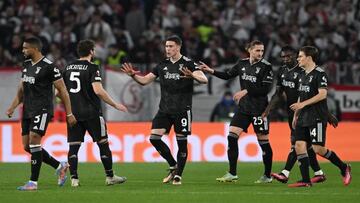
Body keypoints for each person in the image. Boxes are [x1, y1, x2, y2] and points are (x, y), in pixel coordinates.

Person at [121, 35, 208, 185]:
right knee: (154, 138)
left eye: (171, 46)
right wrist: (133, 76)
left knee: (181, 143)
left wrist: (192, 75)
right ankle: (173, 165)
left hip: (182, 109)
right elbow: (145, 81)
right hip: (165, 110)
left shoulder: (188, 63)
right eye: (166, 46)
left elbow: (204, 79)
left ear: (178, 47)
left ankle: (178, 176)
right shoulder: (161, 65)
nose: (167, 49)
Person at [6, 37, 77, 191]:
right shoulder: (25, 65)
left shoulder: (50, 67)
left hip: (43, 109)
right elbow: (21, 88)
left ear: (35, 49)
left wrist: (69, 113)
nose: (23, 51)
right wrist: (13, 106)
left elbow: (63, 91)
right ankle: (60, 165)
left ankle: (33, 182)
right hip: (27, 109)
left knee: (34, 140)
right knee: (27, 146)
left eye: (25, 48)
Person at [200, 40, 274, 183]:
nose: (260, 53)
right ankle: (232, 173)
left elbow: (266, 89)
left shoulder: (266, 67)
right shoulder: (242, 64)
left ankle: (267, 175)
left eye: (262, 51)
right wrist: (211, 71)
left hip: (259, 110)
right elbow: (228, 75)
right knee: (232, 136)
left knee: (263, 142)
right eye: (257, 50)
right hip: (244, 109)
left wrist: (246, 90)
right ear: (249, 50)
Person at [62, 39, 128, 187]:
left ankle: (74, 179)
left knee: (74, 147)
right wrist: (115, 104)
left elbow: (58, 92)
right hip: (92, 113)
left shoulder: (68, 67)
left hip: (73, 114)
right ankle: (110, 176)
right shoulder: (92, 68)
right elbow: (98, 90)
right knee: (103, 144)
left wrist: (69, 108)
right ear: (91, 51)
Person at [288, 46, 352, 187]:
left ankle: (344, 167)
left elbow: (322, 94)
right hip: (303, 116)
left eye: (300, 56)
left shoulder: (319, 73)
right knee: (299, 146)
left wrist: (302, 104)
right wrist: (296, 114)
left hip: (317, 116)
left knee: (318, 149)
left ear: (309, 58)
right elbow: (301, 95)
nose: (298, 59)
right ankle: (306, 181)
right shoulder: (302, 74)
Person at [262, 46, 327, 184]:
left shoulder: (304, 71)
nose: (286, 59)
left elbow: (313, 94)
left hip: (307, 112)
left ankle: (285, 172)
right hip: (293, 112)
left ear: (296, 55)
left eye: (289, 56)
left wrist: (327, 114)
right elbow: (278, 93)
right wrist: (268, 109)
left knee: (297, 144)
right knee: (304, 145)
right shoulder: (282, 71)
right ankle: (318, 173)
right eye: (283, 57)